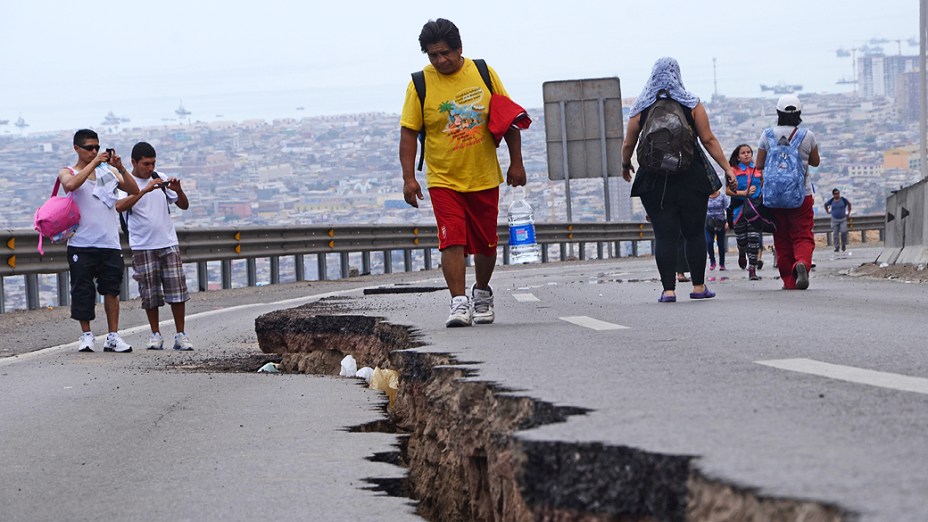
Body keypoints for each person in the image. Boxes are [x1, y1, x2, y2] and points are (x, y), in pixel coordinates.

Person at [399, 18, 526, 326]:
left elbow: (508, 117)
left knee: (486, 243)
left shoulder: (482, 72)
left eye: (445, 53)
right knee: (451, 238)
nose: (441, 60)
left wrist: (516, 162)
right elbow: (408, 132)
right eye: (433, 55)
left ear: (459, 49)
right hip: (443, 178)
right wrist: (409, 177)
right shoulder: (420, 83)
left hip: (483, 176)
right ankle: (458, 302)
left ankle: (481, 292)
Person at [622, 57, 734, 302]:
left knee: (664, 236)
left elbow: (629, 142)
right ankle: (698, 287)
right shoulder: (691, 104)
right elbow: (709, 140)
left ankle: (668, 290)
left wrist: (625, 163)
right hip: (691, 177)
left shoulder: (641, 107)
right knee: (693, 233)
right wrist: (727, 168)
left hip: (654, 181)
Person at [60, 129, 140, 352]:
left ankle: (113, 336)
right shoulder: (67, 171)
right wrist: (94, 163)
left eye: (97, 147)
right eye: (89, 148)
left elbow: (134, 190)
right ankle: (86, 335)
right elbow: (70, 185)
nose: (94, 151)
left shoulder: (109, 173)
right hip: (81, 243)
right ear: (77, 148)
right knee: (83, 291)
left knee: (112, 290)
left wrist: (120, 167)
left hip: (109, 242)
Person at [115, 142, 193, 350]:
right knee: (150, 293)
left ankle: (180, 334)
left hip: (168, 242)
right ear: (134, 162)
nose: (150, 168)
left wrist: (178, 190)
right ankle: (155, 333)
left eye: (153, 163)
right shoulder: (126, 183)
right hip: (142, 245)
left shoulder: (161, 178)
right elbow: (119, 207)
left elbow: (183, 205)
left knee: (177, 291)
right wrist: (144, 191)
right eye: (146, 164)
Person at [755, 94, 820, 290]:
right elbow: (815, 162)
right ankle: (801, 262)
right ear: (799, 113)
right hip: (802, 194)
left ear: (778, 113)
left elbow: (759, 164)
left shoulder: (766, 135)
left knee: (781, 237)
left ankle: (789, 281)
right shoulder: (807, 135)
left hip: (774, 197)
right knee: (803, 235)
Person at [726, 144, 764, 281]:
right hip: (739, 210)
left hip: (754, 209)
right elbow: (728, 191)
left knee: (754, 238)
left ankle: (752, 269)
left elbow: (763, 184)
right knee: (742, 239)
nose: (747, 154)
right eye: (743, 153)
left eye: (749, 152)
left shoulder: (758, 169)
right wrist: (744, 193)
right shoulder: (732, 170)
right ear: (738, 156)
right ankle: (742, 252)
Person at [705, 188, 729, 273]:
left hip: (720, 222)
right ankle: (712, 261)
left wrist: (727, 222)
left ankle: (722, 263)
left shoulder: (722, 196)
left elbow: (727, 208)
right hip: (708, 223)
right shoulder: (705, 196)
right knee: (709, 242)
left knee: (721, 244)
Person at [824, 188, 851, 252]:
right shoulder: (831, 201)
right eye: (836, 194)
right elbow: (825, 204)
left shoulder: (843, 200)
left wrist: (848, 212)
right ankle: (837, 247)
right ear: (833, 195)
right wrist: (827, 211)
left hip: (843, 219)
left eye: (838, 193)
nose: (837, 195)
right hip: (834, 219)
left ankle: (843, 244)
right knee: (835, 234)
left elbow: (849, 204)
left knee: (843, 231)